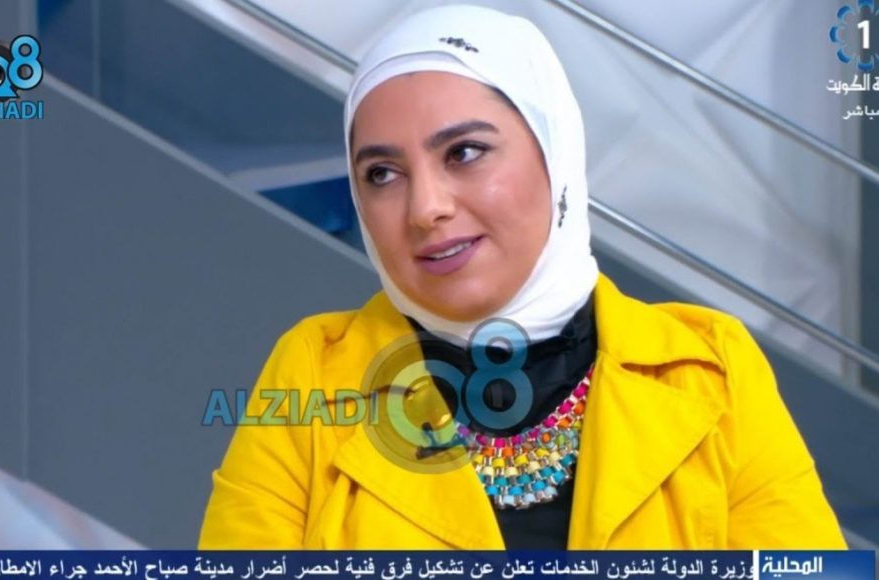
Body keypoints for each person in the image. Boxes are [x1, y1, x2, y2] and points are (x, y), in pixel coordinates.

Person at [198, 4, 845, 550]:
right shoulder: (314, 372)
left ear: (554, 151)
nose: (425, 209)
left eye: (465, 153)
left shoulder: (710, 368)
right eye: (382, 174)